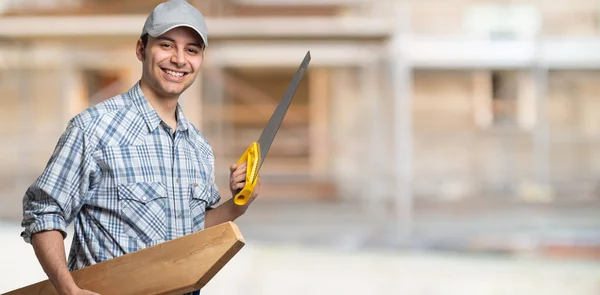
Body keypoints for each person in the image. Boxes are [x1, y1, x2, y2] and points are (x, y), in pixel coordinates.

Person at [19, 1, 260, 294]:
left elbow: (191, 233)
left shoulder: (197, 147)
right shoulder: (94, 129)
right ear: (141, 49)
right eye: (167, 45)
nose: (179, 59)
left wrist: (237, 206)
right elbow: (45, 212)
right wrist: (68, 289)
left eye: (192, 50)